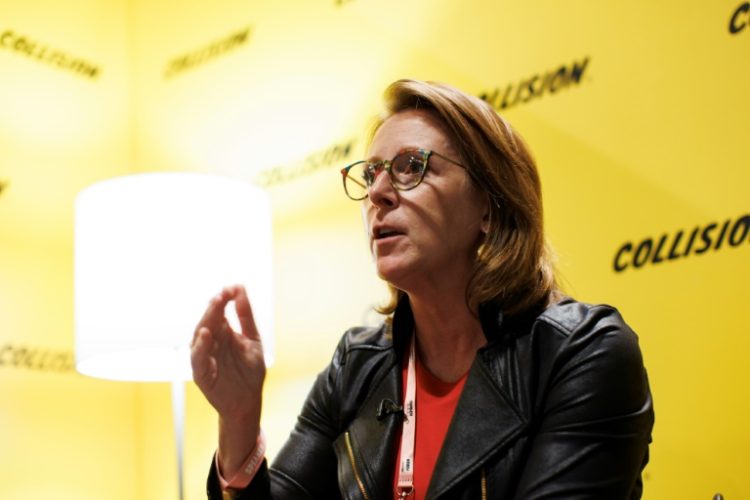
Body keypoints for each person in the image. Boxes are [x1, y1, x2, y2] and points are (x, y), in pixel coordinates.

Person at [191, 79, 654, 499]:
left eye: (411, 166)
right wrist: (238, 422)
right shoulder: (357, 364)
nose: (378, 193)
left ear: (490, 208)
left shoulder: (580, 353)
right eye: (371, 174)